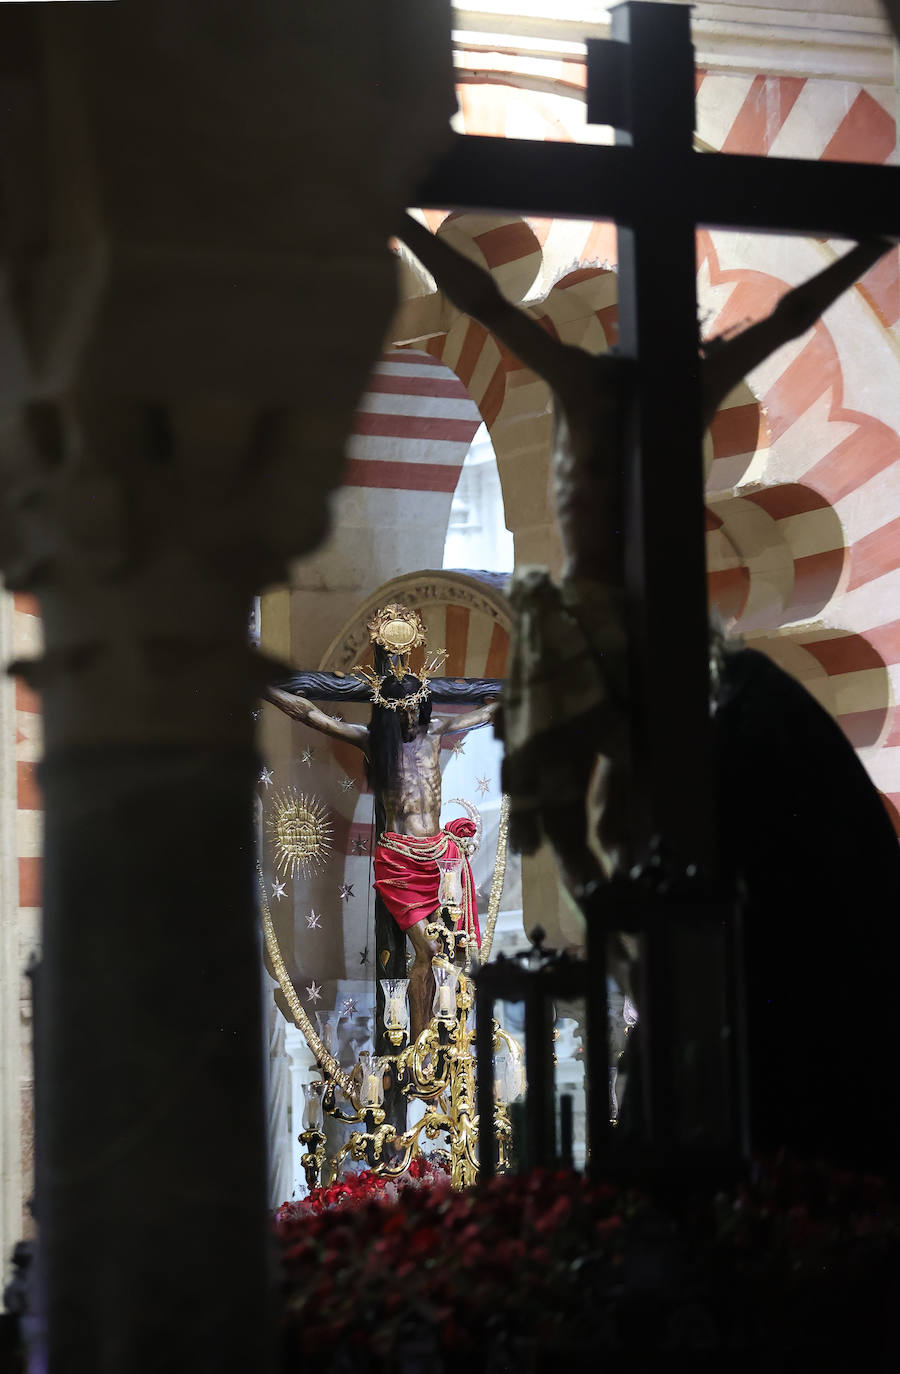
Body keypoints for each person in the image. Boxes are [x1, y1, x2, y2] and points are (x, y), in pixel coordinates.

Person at [400, 216, 900, 1170]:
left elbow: (485, 300)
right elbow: (786, 317)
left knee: (629, 824)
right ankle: (638, 944)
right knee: (592, 816)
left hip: (638, 631)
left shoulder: (598, 384)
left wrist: (870, 243)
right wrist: (868, 239)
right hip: (632, 622)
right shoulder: (647, 385)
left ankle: (653, 959)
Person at [267, 607, 497, 1041]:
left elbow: (485, 714)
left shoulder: (434, 736)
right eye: (403, 712)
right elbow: (309, 714)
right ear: (389, 714)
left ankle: (451, 1036)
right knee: (427, 951)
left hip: (441, 856)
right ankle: (421, 1040)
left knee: (456, 952)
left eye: (416, 710)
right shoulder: (374, 742)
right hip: (400, 860)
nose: (411, 719)